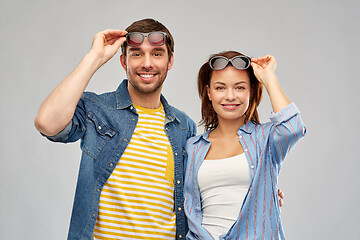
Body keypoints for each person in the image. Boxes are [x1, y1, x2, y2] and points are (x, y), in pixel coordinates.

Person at [34, 18, 196, 240]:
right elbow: (47, 123)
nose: (147, 63)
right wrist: (94, 58)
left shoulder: (184, 126)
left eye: (157, 53)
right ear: (123, 61)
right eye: (137, 54)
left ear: (170, 61)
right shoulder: (98, 110)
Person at [184, 51, 306, 239]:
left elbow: (293, 127)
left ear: (251, 91)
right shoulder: (193, 146)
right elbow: (188, 206)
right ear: (209, 92)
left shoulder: (265, 139)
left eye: (240, 88)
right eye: (220, 88)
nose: (230, 96)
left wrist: (268, 77)